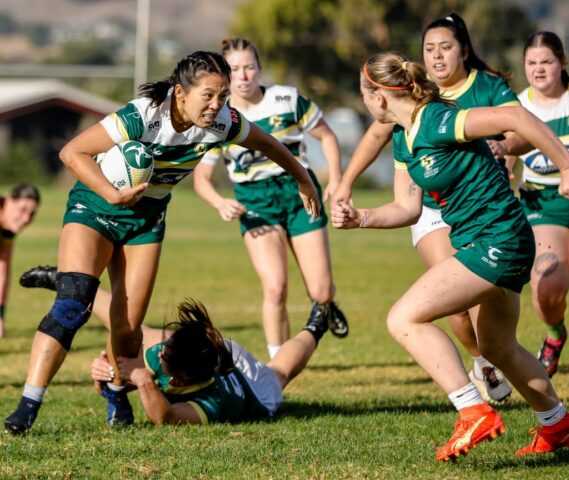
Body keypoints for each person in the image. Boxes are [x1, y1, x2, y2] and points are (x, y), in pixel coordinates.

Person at [4, 50, 321, 435]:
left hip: (147, 219)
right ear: (180, 92)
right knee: (72, 303)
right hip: (95, 206)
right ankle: (28, 405)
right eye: (208, 95)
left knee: (128, 327)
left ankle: (116, 392)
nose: (217, 104)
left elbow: (270, 144)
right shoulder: (143, 115)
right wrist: (112, 193)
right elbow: (72, 152)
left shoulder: (223, 121)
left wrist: (303, 178)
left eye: (223, 95)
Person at [332, 51, 569, 461]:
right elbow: (407, 208)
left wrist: (568, 168)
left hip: (498, 238)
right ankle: (559, 426)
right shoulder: (404, 137)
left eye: (363, 95)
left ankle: (473, 411)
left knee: (403, 318)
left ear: (378, 97)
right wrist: (360, 218)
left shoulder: (437, 119)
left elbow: (515, 118)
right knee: (498, 347)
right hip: (483, 240)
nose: (364, 103)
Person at [332, 13, 516, 404]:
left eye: (445, 47)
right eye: (429, 49)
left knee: (479, 306)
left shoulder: (483, 88)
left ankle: (509, 372)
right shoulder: (410, 96)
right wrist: (346, 187)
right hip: (430, 207)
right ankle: (481, 363)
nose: (436, 56)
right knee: (451, 301)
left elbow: (518, 125)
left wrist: (506, 146)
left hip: (482, 210)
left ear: (464, 50)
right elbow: (379, 136)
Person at [194, 38, 348, 359]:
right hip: (256, 202)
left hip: (299, 193)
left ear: (260, 68)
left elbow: (327, 136)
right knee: (275, 288)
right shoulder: (219, 115)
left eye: (250, 67)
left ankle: (326, 304)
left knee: (321, 291)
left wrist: (335, 178)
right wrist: (219, 202)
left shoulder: (287, 99)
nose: (243, 75)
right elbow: (201, 178)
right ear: (225, 74)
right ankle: (277, 366)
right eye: (235, 69)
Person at [512, 32, 569, 392]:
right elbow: (504, 153)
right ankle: (554, 334)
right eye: (531, 63)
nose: (538, 69)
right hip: (542, 204)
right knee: (547, 285)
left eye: (546, 61)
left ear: (562, 62)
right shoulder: (516, 106)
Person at [89, 297, 330, 426]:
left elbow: (166, 418)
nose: (160, 354)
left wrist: (143, 380)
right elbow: (117, 382)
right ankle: (80, 285)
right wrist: (105, 376)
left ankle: (318, 323)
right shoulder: (171, 353)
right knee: (141, 331)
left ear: (180, 377)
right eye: (166, 348)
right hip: (214, 349)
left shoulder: (210, 404)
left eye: (166, 355)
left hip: (253, 390)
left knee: (280, 372)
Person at [0, 184, 40, 338]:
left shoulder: (7, 228)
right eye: (22, 209)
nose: (26, 219)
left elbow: (2, 270)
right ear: (9, 201)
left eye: (32, 213)